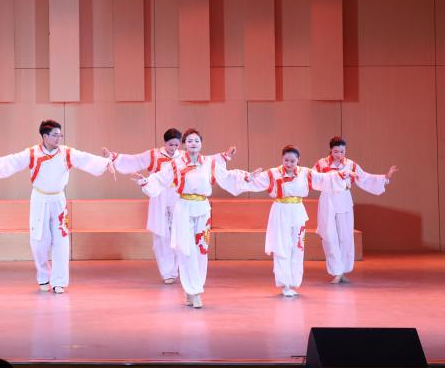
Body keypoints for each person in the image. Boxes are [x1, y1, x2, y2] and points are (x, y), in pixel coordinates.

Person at [0, 120, 113, 294]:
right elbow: (13, 160)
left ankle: (59, 281)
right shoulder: (32, 153)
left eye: (60, 135)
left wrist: (105, 163)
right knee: (39, 241)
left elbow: (85, 158)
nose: (58, 138)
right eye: (55, 135)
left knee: (61, 241)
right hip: (39, 199)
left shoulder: (66, 153)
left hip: (58, 200)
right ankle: (43, 276)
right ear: (45, 136)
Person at [128, 128, 247, 309]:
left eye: (196, 141)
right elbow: (160, 179)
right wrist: (145, 182)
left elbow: (227, 177)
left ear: (201, 144)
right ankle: (193, 291)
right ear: (184, 144)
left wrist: (246, 177)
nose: (193, 144)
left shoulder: (209, 163)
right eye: (190, 141)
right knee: (186, 249)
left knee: (201, 249)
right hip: (183, 208)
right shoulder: (176, 164)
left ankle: (194, 289)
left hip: (202, 209)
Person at [312, 136, 397, 284]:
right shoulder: (321, 163)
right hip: (327, 199)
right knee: (329, 236)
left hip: (344, 199)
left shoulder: (350, 164)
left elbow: (365, 178)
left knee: (345, 237)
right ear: (330, 150)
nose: (339, 155)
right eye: (336, 151)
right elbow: (312, 178)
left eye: (342, 152)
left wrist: (385, 177)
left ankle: (342, 271)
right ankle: (336, 271)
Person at [106, 128, 184, 284]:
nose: (173, 148)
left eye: (176, 145)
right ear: (165, 142)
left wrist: (224, 156)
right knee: (161, 234)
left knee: (179, 233)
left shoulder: (183, 156)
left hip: (178, 195)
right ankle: (167, 272)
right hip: (159, 194)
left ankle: (178, 268)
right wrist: (114, 157)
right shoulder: (154, 154)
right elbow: (134, 160)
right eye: (170, 145)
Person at [243, 145, 314, 297]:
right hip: (281, 210)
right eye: (286, 160)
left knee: (298, 247)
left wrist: (342, 175)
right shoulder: (273, 173)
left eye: (292, 161)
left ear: (298, 160)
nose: (289, 164)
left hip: (298, 211)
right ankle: (285, 284)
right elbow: (254, 181)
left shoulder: (305, 173)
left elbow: (324, 179)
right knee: (282, 246)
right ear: (282, 159)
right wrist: (250, 177)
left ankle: (294, 281)